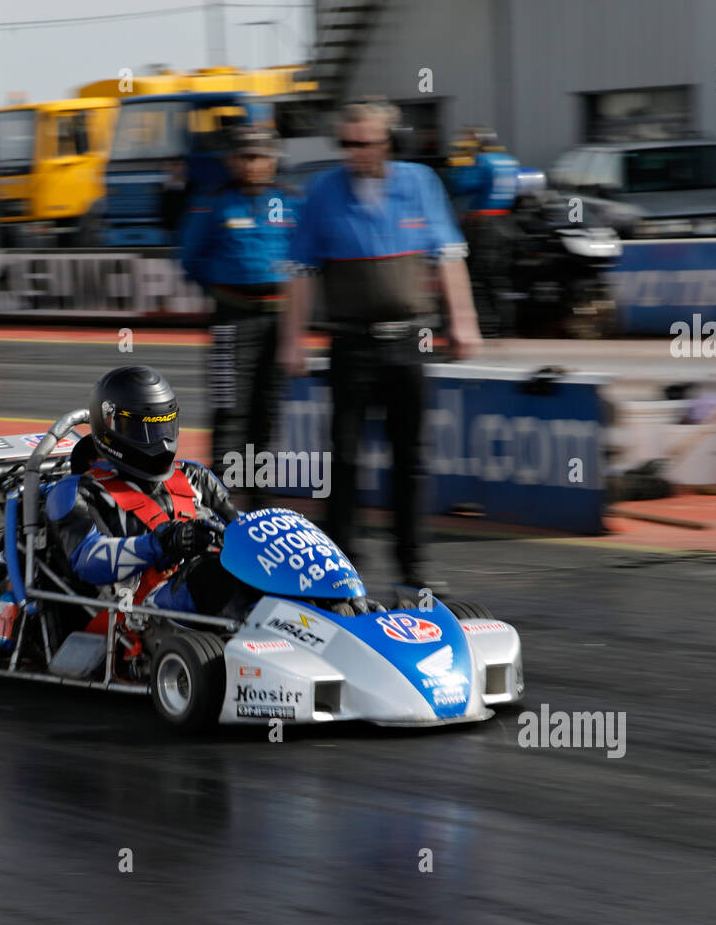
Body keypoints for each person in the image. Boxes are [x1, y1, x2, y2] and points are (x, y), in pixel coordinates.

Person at [277, 97, 481, 591]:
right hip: (351, 345)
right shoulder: (321, 191)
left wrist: (465, 322)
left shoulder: (420, 184)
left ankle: (413, 569)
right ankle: (341, 569)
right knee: (344, 456)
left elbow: (449, 257)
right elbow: (301, 272)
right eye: (345, 143)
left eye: (363, 143)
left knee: (410, 456)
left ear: (388, 143)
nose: (353, 152)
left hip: (409, 343)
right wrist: (293, 340)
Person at [46, 365, 255, 619]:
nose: (162, 443)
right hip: (134, 611)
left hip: (203, 588)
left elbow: (240, 525)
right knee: (215, 577)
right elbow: (89, 560)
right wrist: (163, 542)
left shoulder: (194, 476)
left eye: (164, 428)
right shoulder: (78, 491)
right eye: (146, 431)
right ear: (110, 427)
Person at [179, 123, 298, 508]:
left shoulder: (291, 201)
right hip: (232, 321)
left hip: (279, 323)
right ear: (231, 161)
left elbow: (306, 257)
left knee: (266, 413)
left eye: (260, 156)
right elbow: (189, 258)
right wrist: (224, 291)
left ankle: (261, 503)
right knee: (229, 411)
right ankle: (220, 505)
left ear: (273, 159)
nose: (252, 164)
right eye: (245, 156)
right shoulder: (213, 202)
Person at [462, 130, 521, 339]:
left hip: (484, 224)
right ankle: (507, 324)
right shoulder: (510, 162)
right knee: (499, 277)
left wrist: (462, 162)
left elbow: (463, 185)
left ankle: (487, 325)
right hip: (506, 220)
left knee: (478, 277)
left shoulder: (483, 161)